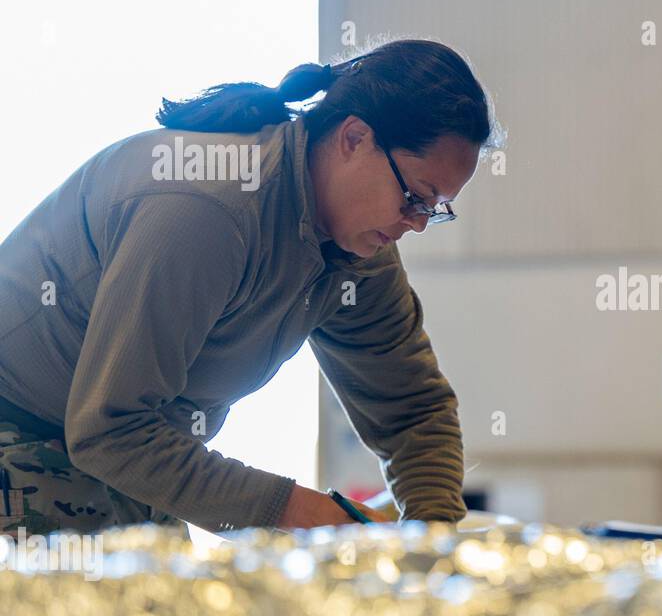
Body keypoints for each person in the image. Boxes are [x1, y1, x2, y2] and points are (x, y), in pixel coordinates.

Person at [0, 39, 501, 534]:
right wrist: (308, 517)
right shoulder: (207, 209)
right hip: (25, 434)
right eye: (415, 196)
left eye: (435, 211)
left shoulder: (359, 249)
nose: (415, 223)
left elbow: (412, 413)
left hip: (132, 451)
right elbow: (110, 431)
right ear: (354, 139)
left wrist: (434, 547)